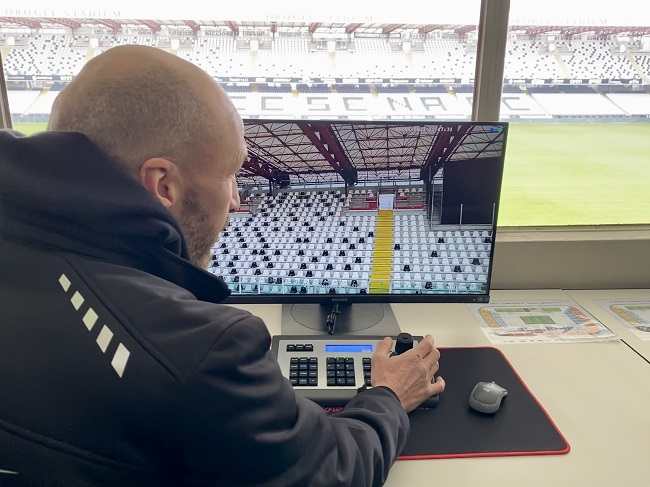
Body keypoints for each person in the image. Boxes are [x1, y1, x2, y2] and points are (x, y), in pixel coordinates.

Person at [0, 45, 445, 487]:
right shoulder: (200, 347)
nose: (235, 201)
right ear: (163, 184)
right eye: (230, 173)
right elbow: (335, 472)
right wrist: (389, 394)